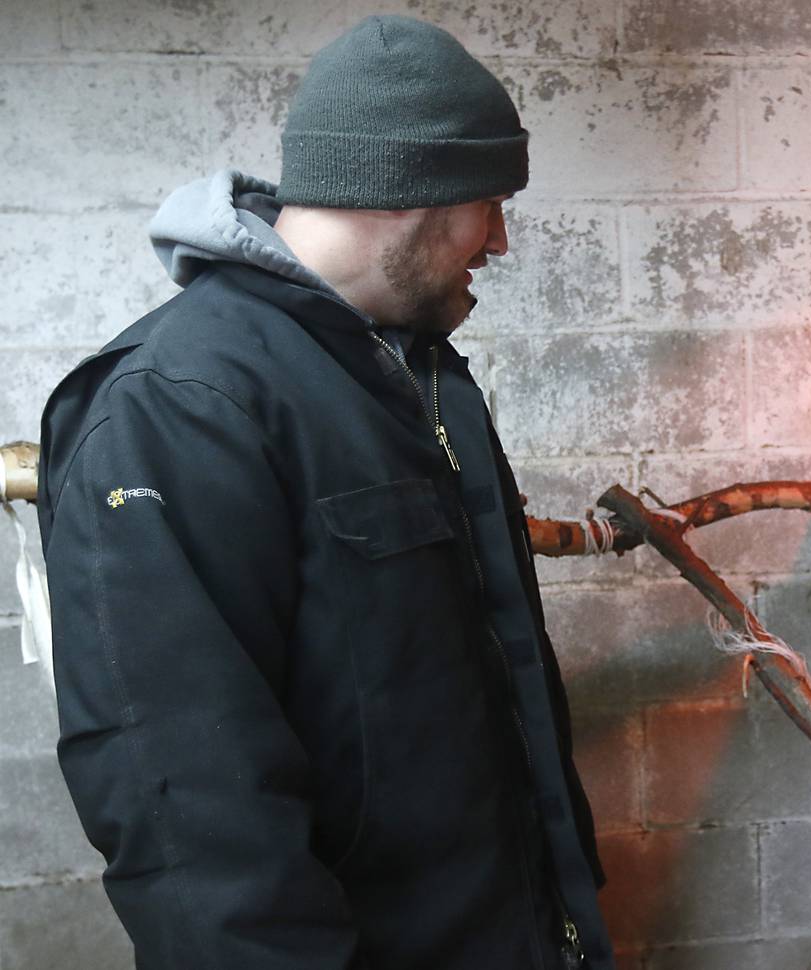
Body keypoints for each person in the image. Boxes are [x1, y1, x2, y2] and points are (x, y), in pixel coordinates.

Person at [36, 16, 613, 970]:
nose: (501, 241)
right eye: (488, 204)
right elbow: (189, 821)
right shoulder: (179, 406)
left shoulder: (422, 373)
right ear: (405, 194)